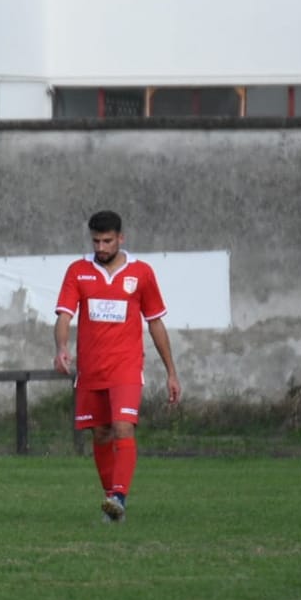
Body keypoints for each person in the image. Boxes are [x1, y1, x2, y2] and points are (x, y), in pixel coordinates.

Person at [53, 210, 181, 523]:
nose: (101, 247)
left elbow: (155, 323)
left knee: (123, 427)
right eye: (96, 241)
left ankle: (119, 496)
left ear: (120, 238)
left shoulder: (142, 274)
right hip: (91, 370)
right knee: (100, 433)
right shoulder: (78, 271)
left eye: (107, 241)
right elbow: (64, 316)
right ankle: (112, 502)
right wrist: (61, 348)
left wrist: (171, 372)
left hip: (125, 367)